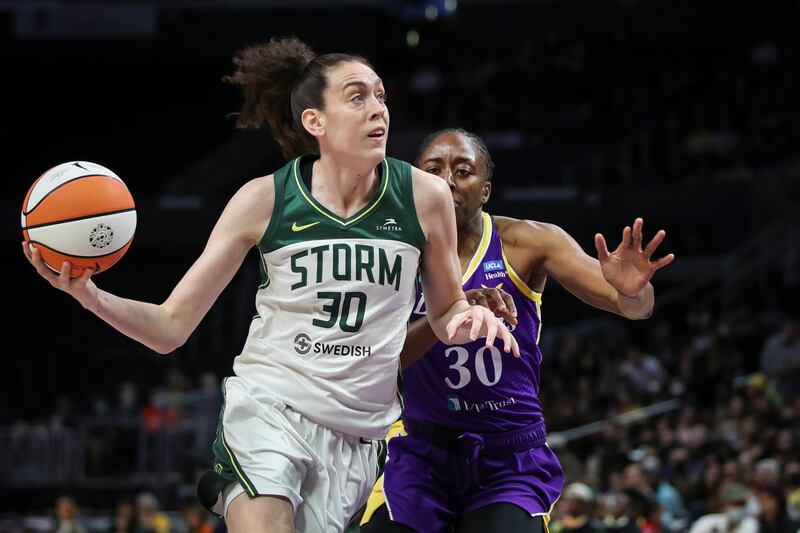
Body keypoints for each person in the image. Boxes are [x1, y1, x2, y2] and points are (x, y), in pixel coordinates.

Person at [22, 39, 517, 533]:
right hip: (270, 407)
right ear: (314, 122)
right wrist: (88, 294)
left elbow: (446, 311)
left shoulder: (422, 195)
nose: (378, 110)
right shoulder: (264, 199)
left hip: (357, 434)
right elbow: (169, 328)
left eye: (381, 96)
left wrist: (465, 319)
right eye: (357, 97)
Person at [360, 128, 674, 532]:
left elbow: (635, 307)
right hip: (422, 449)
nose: (447, 181)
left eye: (463, 170)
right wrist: (446, 318)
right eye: (433, 169)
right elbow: (382, 360)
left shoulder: (529, 241)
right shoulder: (393, 254)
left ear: (485, 190)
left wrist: (634, 291)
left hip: (508, 455)